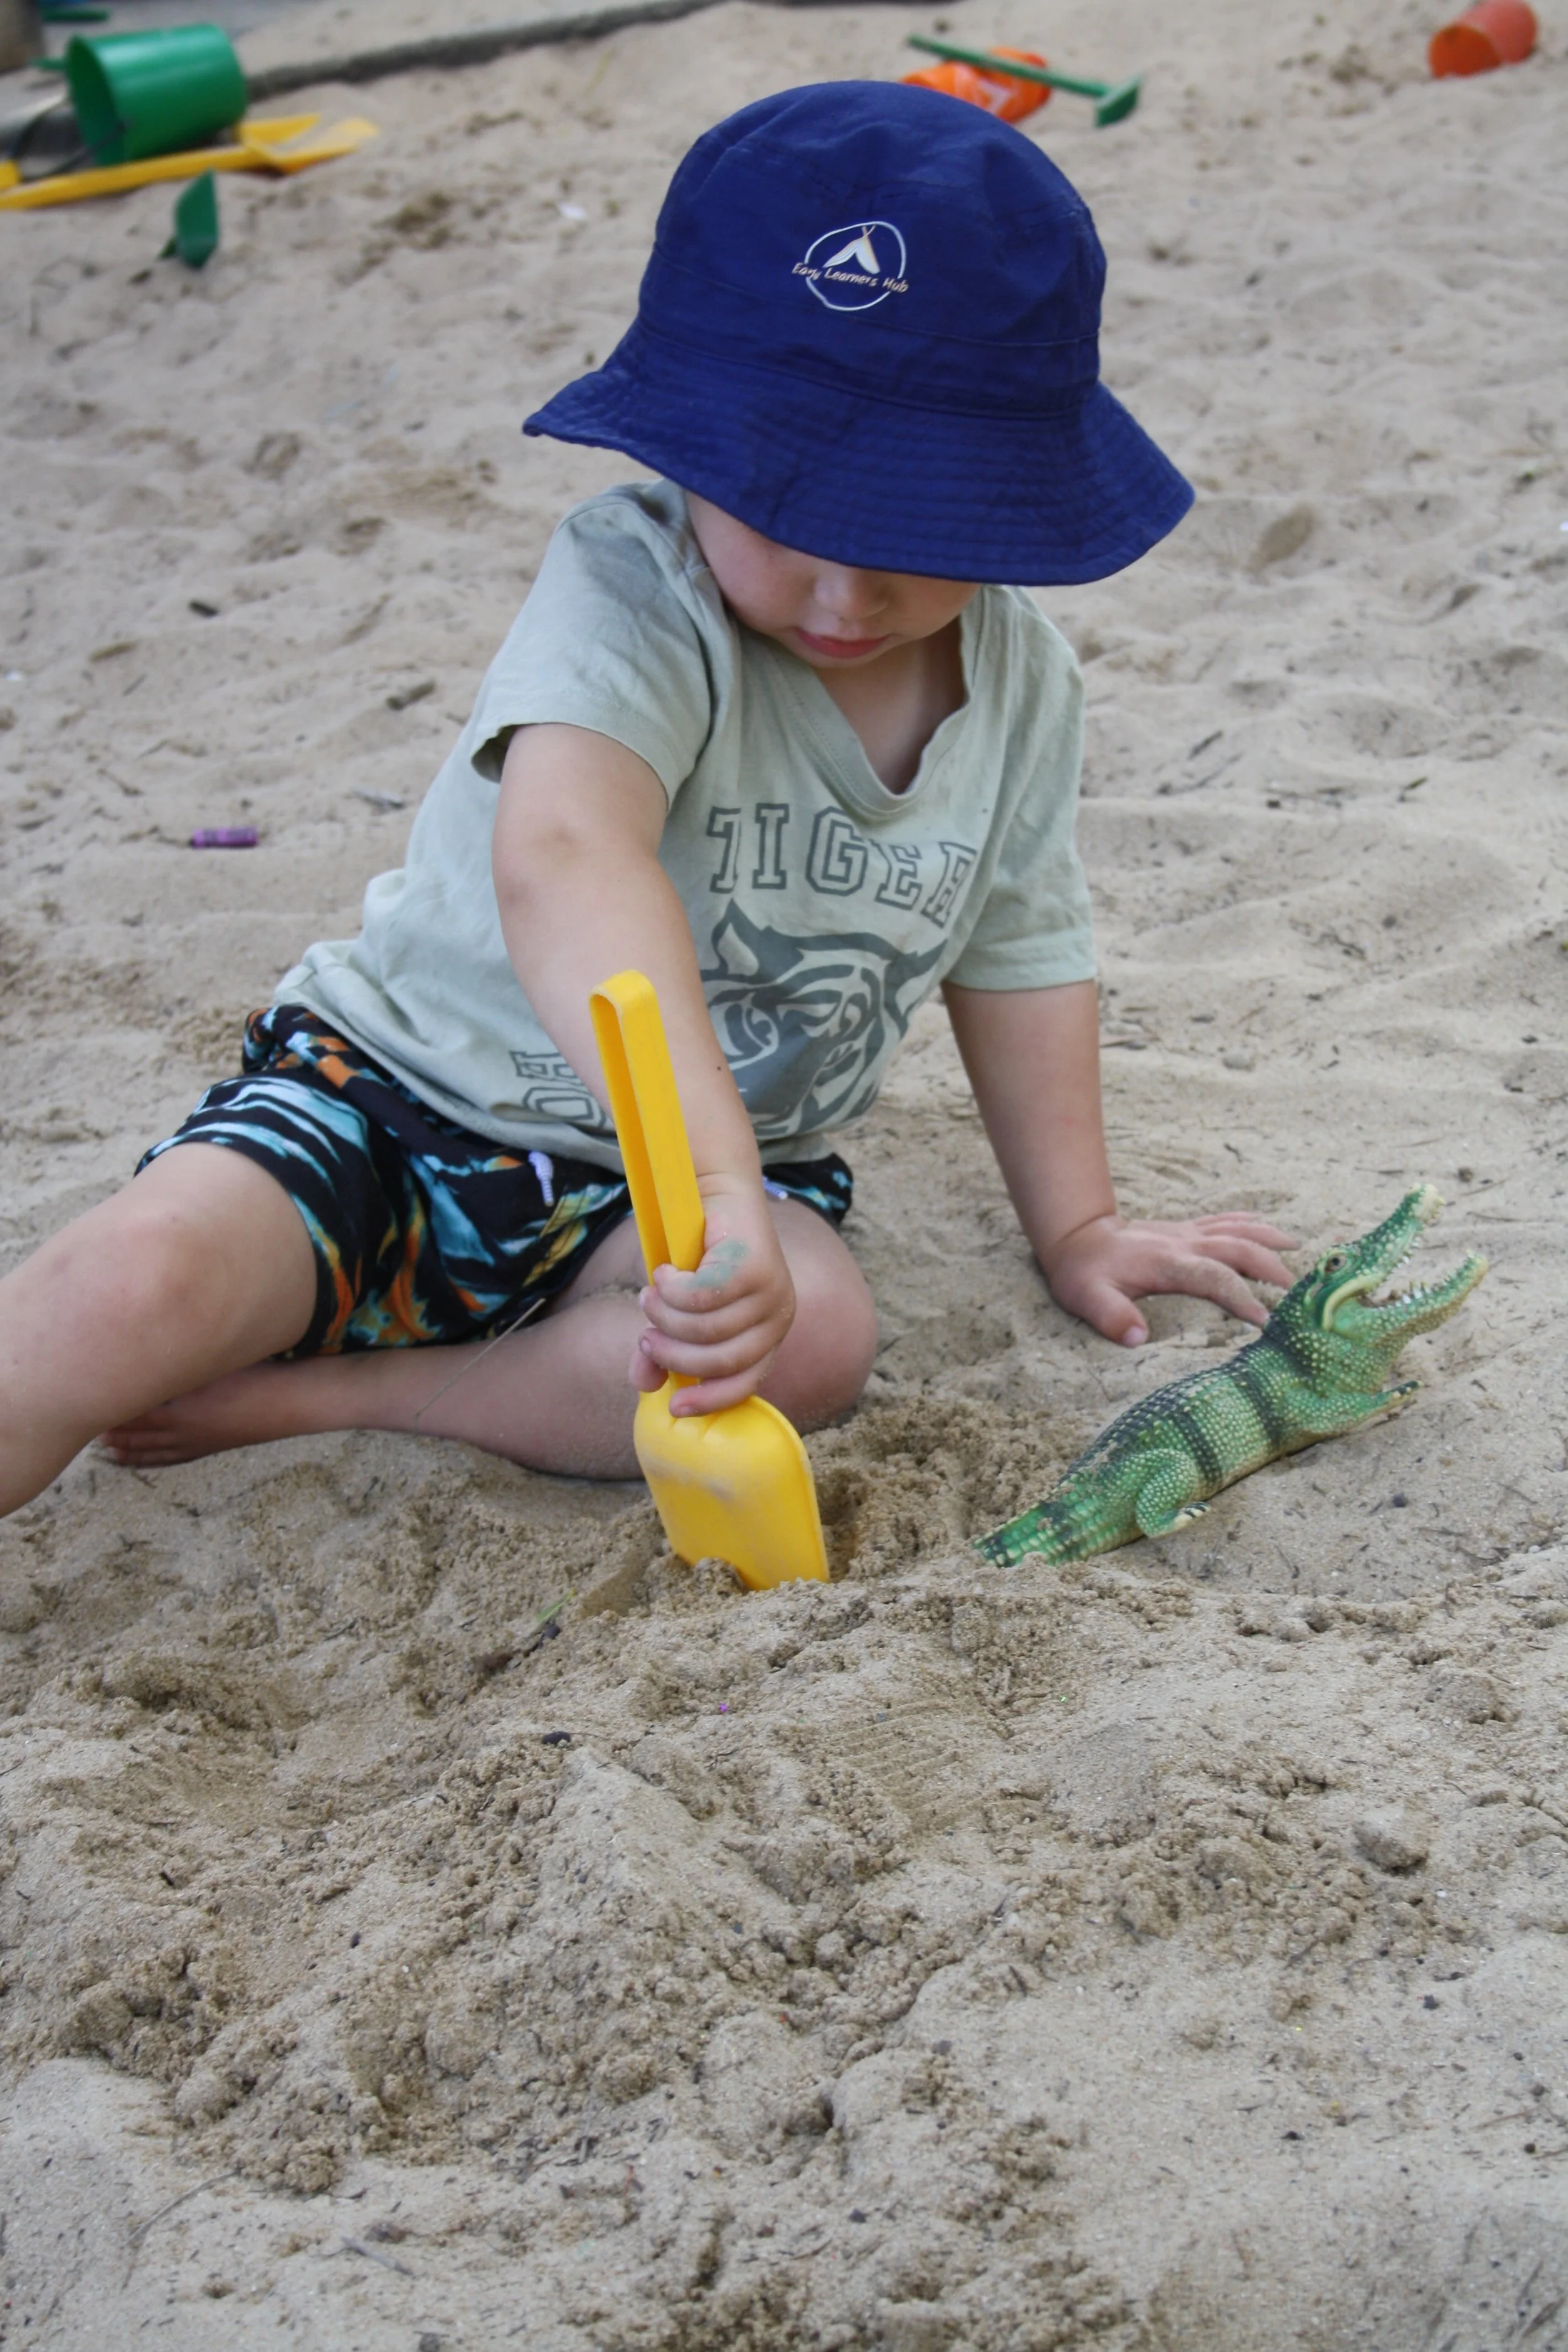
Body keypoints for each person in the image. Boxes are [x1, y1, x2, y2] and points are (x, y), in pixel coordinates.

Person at [0, 81, 1295, 1518]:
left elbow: (1023, 951)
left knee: (811, 1341)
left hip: (660, 1214)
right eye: (791, 515)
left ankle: (333, 1398)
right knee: (123, 1288)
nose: (845, 591)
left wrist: (1078, 1224)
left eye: (916, 531)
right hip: (402, 1107)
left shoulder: (1023, 684)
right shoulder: (636, 590)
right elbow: (563, 853)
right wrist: (719, 1178)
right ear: (694, 451)